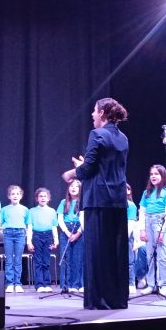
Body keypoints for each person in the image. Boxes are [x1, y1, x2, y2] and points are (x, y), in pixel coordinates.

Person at [61, 97, 130, 310]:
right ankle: (117, 298)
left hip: (98, 199)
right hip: (118, 200)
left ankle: (99, 300)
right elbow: (104, 166)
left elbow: (88, 168)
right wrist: (85, 165)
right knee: (115, 251)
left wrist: (72, 172)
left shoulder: (97, 134)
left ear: (102, 113)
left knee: (97, 251)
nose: (92, 114)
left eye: (94, 110)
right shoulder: (123, 138)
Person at [138, 164, 166, 296]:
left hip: (161, 222)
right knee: (149, 255)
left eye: (156, 174)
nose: (153, 176)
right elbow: (142, 211)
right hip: (148, 222)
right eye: (151, 174)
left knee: (162, 256)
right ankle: (151, 284)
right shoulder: (146, 193)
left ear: (163, 176)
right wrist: (142, 230)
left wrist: (163, 231)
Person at [27, 187, 59, 293]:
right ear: (37, 198)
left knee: (46, 261)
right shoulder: (32, 211)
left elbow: (54, 227)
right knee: (38, 261)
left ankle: (47, 283)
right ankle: (39, 284)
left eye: (45, 196)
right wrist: (29, 242)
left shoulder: (52, 211)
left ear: (49, 198)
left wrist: (56, 241)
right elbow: (29, 227)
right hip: (37, 236)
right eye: (40, 196)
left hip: (48, 236)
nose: (43, 198)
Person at [56, 179, 85, 292]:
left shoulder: (82, 203)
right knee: (66, 258)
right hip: (66, 231)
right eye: (71, 186)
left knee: (78, 258)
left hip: (79, 230)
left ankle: (76, 284)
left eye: (76, 186)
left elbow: (84, 220)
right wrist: (67, 232)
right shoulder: (64, 202)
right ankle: (66, 285)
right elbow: (60, 219)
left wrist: (78, 233)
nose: (73, 188)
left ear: (80, 189)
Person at [0, 185, 29, 292]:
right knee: (9, 259)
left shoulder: (25, 209)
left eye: (17, 194)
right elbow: (0, 223)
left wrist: (26, 234)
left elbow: (27, 224)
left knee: (18, 259)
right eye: (13, 194)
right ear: (9, 196)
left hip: (20, 234)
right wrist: (1, 231)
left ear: (21, 196)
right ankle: (9, 283)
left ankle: (17, 283)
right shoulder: (4, 209)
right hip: (8, 234)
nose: (15, 196)